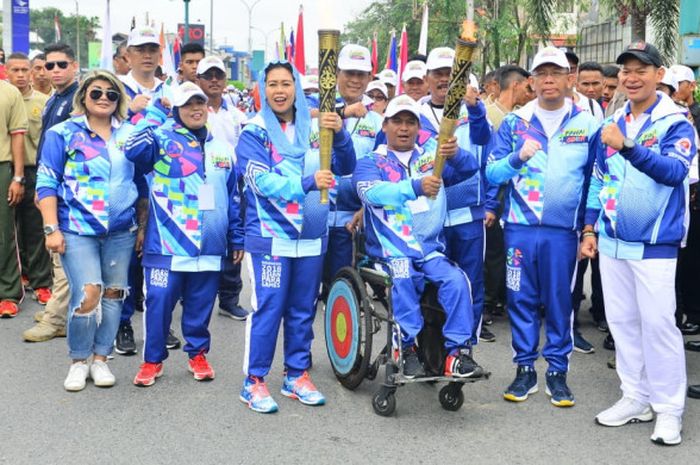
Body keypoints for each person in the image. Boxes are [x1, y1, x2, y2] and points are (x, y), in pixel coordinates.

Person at [582, 41, 696, 446]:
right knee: (624, 324)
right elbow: (598, 179)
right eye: (626, 70)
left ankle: (669, 410)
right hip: (612, 241)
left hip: (655, 243)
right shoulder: (614, 121)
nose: (631, 77)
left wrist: (627, 147)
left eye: (641, 70)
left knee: (659, 327)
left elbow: (673, 171)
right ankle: (635, 397)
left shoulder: (675, 122)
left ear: (658, 75)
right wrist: (590, 229)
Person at [236, 60, 356, 413]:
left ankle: (296, 374)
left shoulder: (316, 127)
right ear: (263, 89)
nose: (279, 90)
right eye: (272, 84)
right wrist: (307, 182)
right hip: (270, 237)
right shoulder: (254, 132)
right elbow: (260, 182)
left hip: (312, 236)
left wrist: (342, 132)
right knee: (269, 308)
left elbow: (346, 166)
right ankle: (254, 381)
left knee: (303, 309)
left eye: (286, 83)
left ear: (296, 88)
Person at [486, 47, 599, 407]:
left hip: (562, 233)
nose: (549, 79)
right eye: (542, 73)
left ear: (570, 79)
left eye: (557, 72)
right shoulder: (515, 123)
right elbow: (491, 173)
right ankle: (524, 369)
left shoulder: (588, 124)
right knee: (520, 298)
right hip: (519, 228)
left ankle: (556, 372)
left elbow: (596, 180)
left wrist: (588, 227)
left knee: (559, 302)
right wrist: (516, 158)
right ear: (531, 81)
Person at [354, 94, 485, 378]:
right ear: (385, 126)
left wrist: (455, 153)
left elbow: (470, 169)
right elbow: (371, 193)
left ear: (417, 127)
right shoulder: (370, 162)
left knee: (457, 281)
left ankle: (457, 354)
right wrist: (415, 186)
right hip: (391, 253)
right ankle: (407, 347)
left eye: (410, 122)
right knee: (402, 277)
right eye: (397, 122)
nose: (404, 128)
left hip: (429, 251)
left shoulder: (432, 159)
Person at [125, 82, 244, 387]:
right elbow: (131, 147)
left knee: (201, 303)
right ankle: (152, 360)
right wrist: (154, 112)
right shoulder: (161, 140)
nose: (196, 109)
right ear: (176, 109)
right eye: (188, 104)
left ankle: (198, 353)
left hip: (210, 243)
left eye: (200, 103)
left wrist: (236, 236)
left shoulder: (222, 148)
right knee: (160, 301)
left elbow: (233, 197)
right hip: (166, 242)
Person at [36, 70, 138, 391]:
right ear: (83, 97)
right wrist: (51, 228)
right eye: (97, 93)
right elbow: (46, 182)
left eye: (112, 94)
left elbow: (144, 183)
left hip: (122, 230)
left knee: (113, 293)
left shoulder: (131, 135)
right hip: (77, 229)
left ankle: (101, 359)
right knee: (89, 292)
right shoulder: (62, 133)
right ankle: (78, 360)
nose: (104, 99)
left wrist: (145, 226)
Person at [418, 48, 494, 344]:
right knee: (430, 283)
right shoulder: (413, 115)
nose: (444, 80)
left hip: (466, 217)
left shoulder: (473, 113)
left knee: (470, 284)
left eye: (451, 74)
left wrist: (476, 109)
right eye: (438, 74)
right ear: (427, 78)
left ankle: (463, 348)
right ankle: (431, 346)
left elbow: (485, 143)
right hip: (428, 217)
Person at [117, 25, 180, 354]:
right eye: (139, 50)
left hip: (165, 181)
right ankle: (124, 322)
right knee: (129, 256)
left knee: (162, 258)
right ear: (127, 55)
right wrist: (130, 110)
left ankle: (160, 322)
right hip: (129, 179)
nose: (146, 55)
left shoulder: (172, 88)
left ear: (159, 54)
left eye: (151, 50)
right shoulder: (116, 88)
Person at [22, 43, 79, 342]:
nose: (54, 70)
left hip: (69, 186)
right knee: (55, 250)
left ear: (74, 65)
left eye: (61, 65)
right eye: (50, 65)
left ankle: (57, 317)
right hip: (49, 181)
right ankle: (59, 310)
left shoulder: (78, 99)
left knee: (62, 249)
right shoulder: (53, 99)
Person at [323, 44, 383, 288]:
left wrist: (366, 208)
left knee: (342, 293)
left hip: (351, 221)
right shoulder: (319, 111)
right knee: (305, 300)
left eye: (361, 74)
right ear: (337, 73)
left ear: (370, 77)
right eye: (349, 73)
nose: (355, 80)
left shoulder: (379, 121)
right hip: (315, 217)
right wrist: (344, 112)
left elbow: (383, 170)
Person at [196, 55, 249, 321]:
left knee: (232, 235)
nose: (214, 80)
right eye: (208, 76)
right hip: (202, 182)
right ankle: (197, 294)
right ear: (199, 80)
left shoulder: (237, 115)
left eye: (218, 75)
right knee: (204, 231)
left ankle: (229, 298)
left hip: (232, 181)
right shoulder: (193, 109)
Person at [5, 53, 53, 306]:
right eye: (16, 70)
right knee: (10, 230)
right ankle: (16, 276)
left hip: (34, 169)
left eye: (25, 70)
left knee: (35, 227)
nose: (21, 75)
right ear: (6, 72)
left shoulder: (44, 102)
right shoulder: (4, 98)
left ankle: (41, 282)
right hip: (8, 168)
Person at [0, 71, 28, 318]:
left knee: (4, 232)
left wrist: (17, 177)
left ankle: (8, 293)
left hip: (1, 167)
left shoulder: (8, 92)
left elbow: (17, 136)